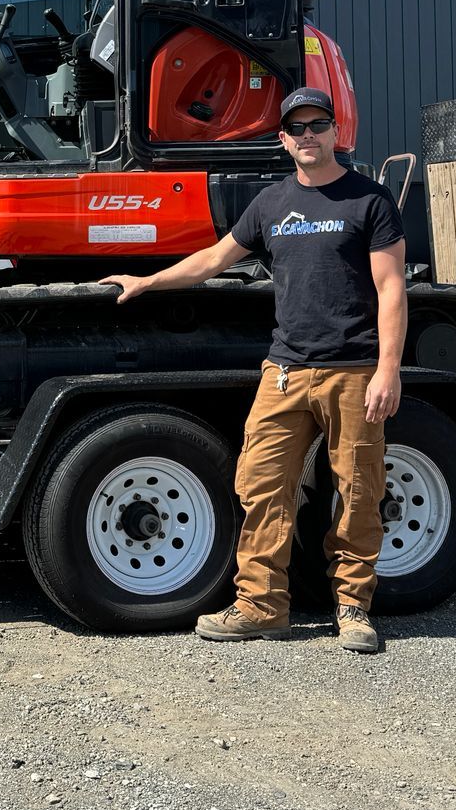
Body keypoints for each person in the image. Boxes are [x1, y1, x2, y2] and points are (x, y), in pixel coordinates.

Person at [101, 87, 407, 653]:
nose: (309, 135)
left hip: (354, 372)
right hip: (285, 372)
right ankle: (262, 606)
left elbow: (391, 288)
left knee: (360, 490)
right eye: (298, 128)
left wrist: (388, 369)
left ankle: (353, 608)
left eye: (318, 124)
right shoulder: (271, 203)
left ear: (334, 131)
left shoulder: (370, 200)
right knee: (261, 486)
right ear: (284, 139)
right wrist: (146, 282)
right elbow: (214, 259)